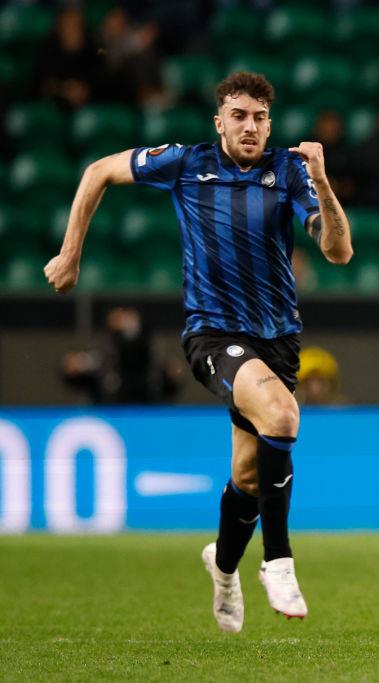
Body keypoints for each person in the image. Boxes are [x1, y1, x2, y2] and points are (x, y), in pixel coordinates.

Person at [43, 72, 354, 632]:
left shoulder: (289, 171)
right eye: (239, 116)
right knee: (283, 416)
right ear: (220, 122)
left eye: (260, 117)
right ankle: (278, 561)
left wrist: (323, 185)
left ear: (269, 125)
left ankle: (224, 567)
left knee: (250, 476)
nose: (250, 126)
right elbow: (98, 172)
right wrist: (70, 255)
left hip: (279, 339)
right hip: (212, 333)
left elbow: (338, 251)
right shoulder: (186, 163)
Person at [61, 306, 183, 404]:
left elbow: (167, 383)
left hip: (145, 411)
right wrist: (73, 369)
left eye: (128, 318)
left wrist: (171, 376)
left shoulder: (148, 352)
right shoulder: (102, 351)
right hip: (110, 413)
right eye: (119, 318)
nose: (123, 322)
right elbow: (79, 373)